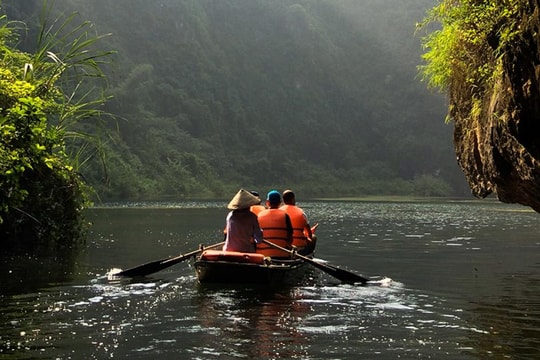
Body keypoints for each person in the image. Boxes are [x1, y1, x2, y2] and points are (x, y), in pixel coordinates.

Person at [256, 190, 293, 258]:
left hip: (262, 256)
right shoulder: (285, 215)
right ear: (280, 203)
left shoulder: (259, 215)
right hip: (282, 256)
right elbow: (290, 237)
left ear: (267, 202)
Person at [281, 189, 315, 255]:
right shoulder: (301, 213)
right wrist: (308, 238)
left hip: (282, 248)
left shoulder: (279, 212)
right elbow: (309, 235)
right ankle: (309, 256)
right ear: (293, 199)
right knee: (313, 237)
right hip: (300, 249)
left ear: (283, 200)